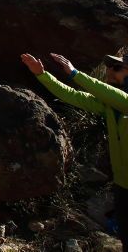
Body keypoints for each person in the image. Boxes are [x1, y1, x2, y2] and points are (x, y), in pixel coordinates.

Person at [21, 51, 128, 249]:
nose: (109, 71)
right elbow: (72, 96)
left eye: (117, 68)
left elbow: (118, 97)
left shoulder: (121, 102)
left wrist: (74, 73)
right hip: (123, 185)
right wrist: (42, 75)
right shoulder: (111, 106)